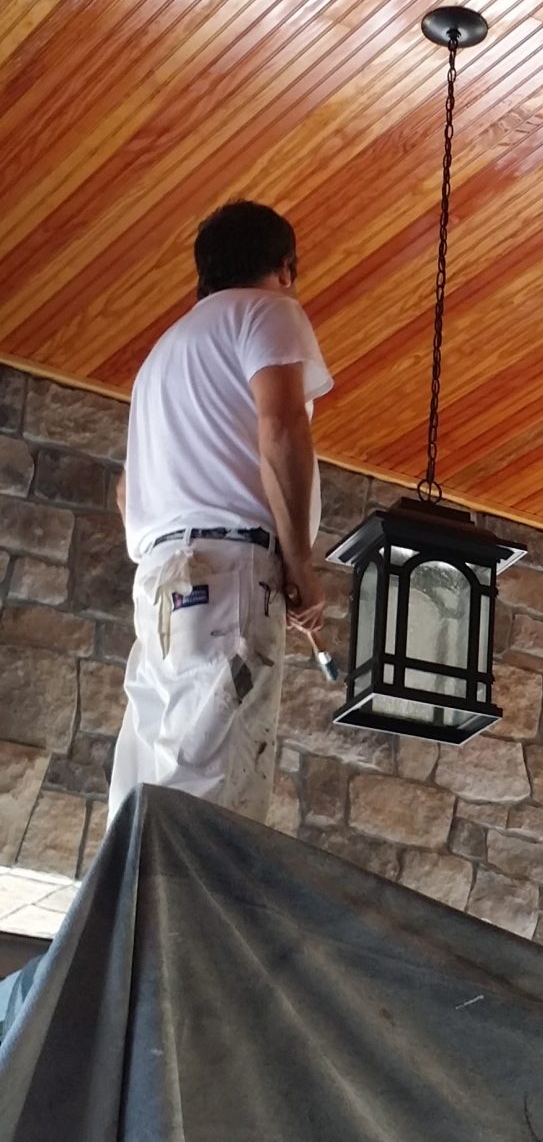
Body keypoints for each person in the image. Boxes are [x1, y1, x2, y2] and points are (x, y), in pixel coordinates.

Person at [108, 201, 332, 827]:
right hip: (228, 572)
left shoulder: (162, 357)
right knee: (210, 802)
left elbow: (127, 492)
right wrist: (299, 565)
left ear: (204, 274)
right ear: (285, 268)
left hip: (159, 585)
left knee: (149, 787)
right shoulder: (268, 311)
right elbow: (280, 429)